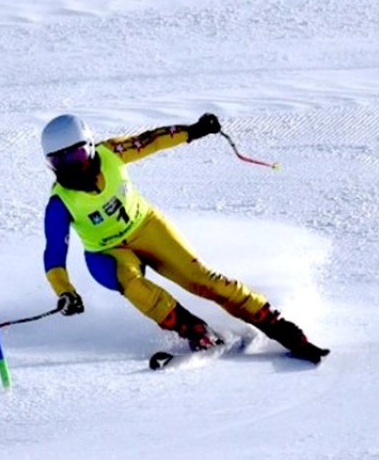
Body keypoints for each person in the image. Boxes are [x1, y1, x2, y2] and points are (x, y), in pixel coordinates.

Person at [40, 113, 329, 363]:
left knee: (202, 279)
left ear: (90, 146)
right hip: (108, 252)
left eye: (75, 156)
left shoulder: (112, 153)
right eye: (58, 161)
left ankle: (279, 327)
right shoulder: (60, 201)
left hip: (146, 227)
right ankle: (194, 331)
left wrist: (194, 131)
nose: (70, 168)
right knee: (132, 283)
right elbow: (54, 254)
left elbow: (152, 140)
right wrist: (65, 291)